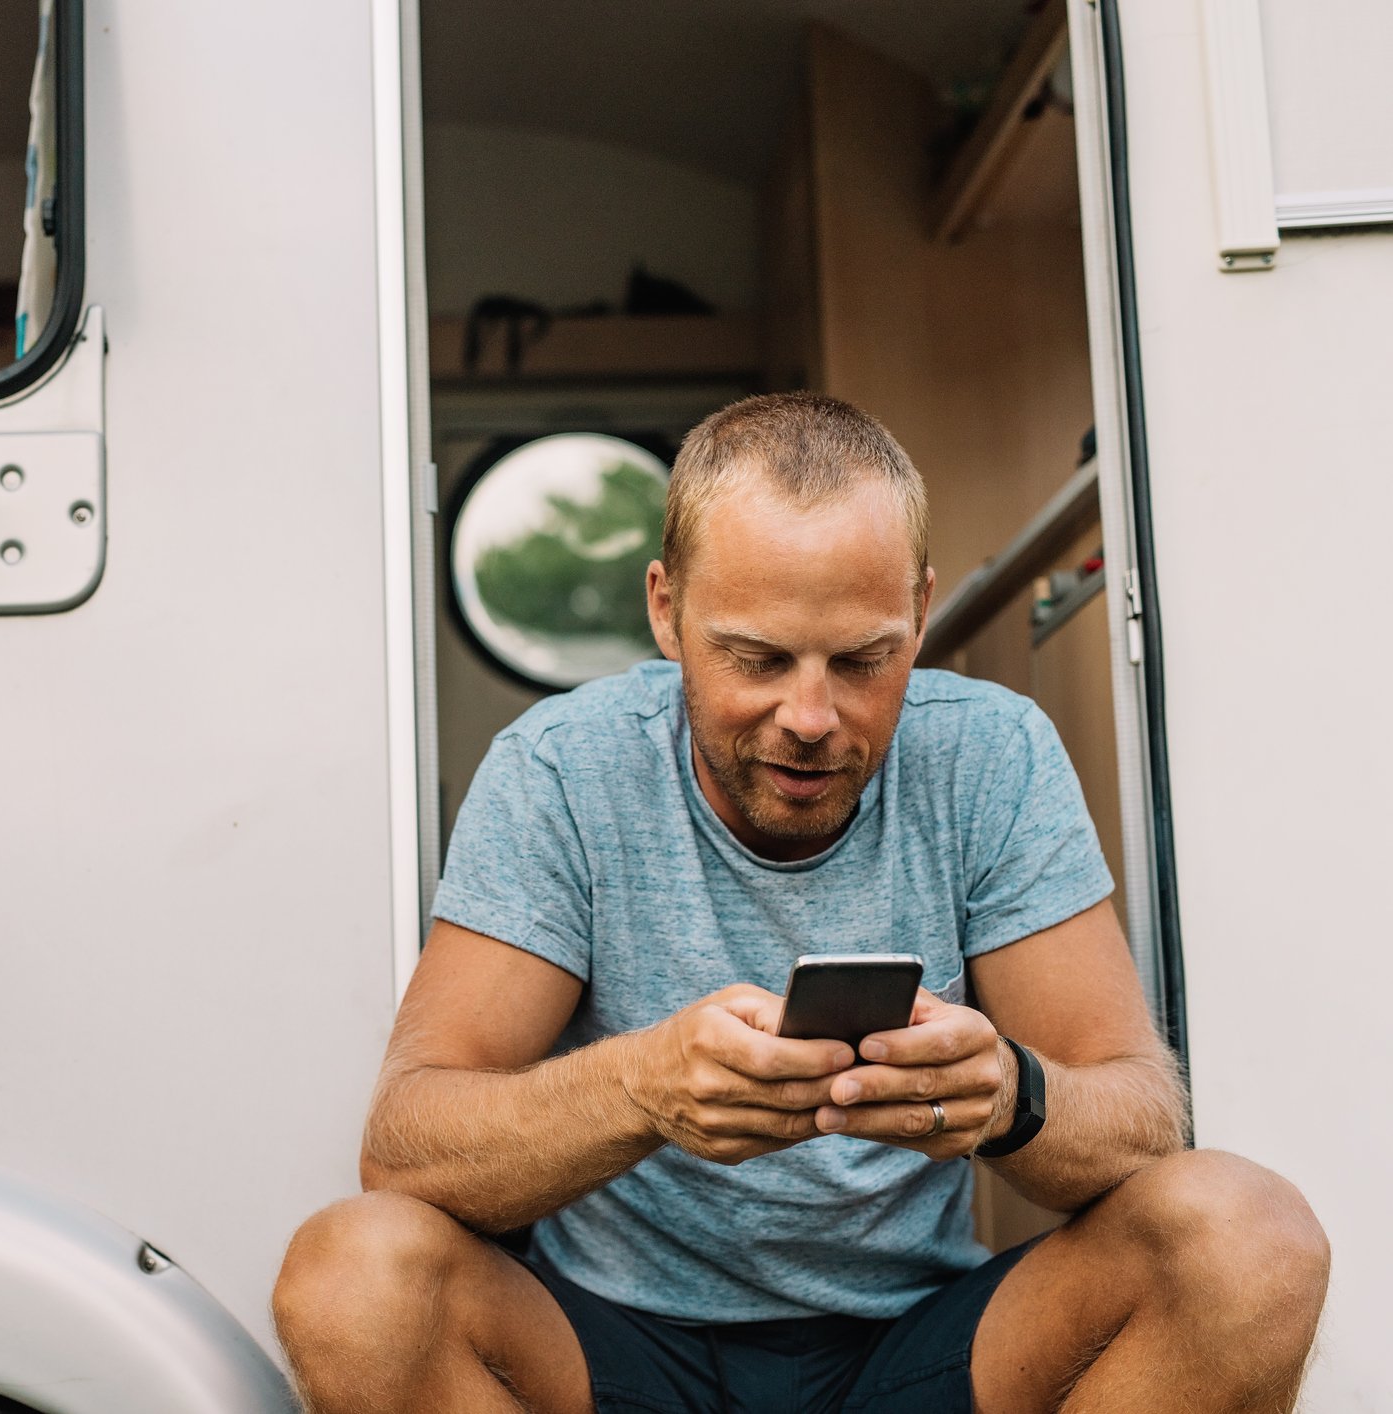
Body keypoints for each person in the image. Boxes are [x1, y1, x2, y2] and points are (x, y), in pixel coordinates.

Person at [272, 394, 1329, 1413]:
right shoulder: (559, 769)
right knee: (352, 1277)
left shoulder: (991, 753)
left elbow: (1142, 1123)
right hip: (608, 1343)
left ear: (918, 613)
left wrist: (1009, 1094)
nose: (812, 717)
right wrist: (640, 1087)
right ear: (665, 609)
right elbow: (405, 1147)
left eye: (863, 660)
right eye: (757, 658)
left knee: (1246, 1240)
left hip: (913, 1340)